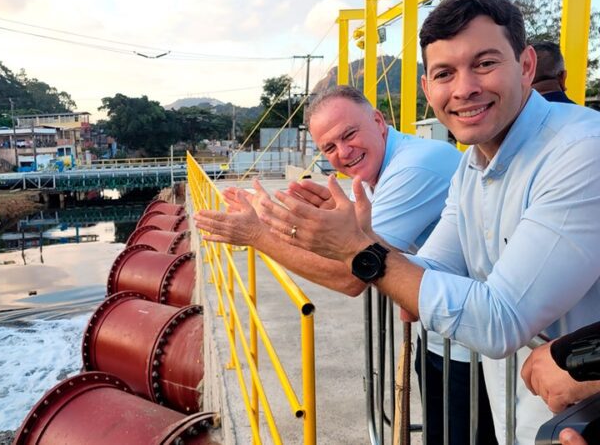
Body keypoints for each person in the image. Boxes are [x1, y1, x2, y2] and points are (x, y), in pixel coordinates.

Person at [253, 0, 600, 443]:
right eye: (444, 73)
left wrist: (358, 250)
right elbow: (417, 284)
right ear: (426, 86)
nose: (464, 88)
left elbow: (500, 319)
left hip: (576, 416)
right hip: (525, 413)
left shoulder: (579, 151)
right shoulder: (472, 167)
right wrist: (360, 238)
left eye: (485, 63)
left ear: (527, 65)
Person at [195, 85, 495, 444]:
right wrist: (292, 220)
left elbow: (354, 272)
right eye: (329, 148)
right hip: (443, 335)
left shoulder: (415, 165)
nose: (344, 152)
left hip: (475, 349)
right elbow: (356, 246)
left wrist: (260, 236)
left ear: (378, 121)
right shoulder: (374, 174)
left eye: (349, 134)